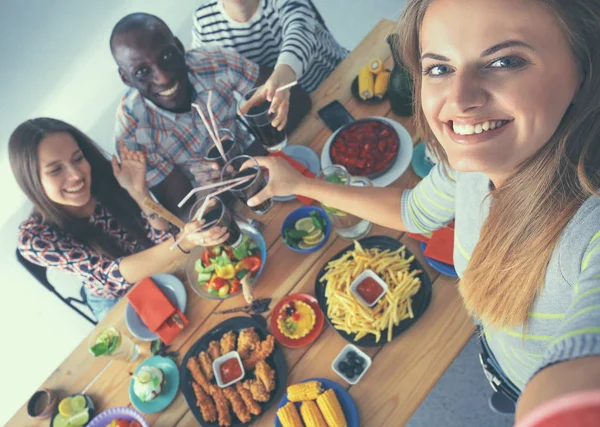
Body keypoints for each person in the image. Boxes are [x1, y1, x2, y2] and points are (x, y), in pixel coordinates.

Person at [247, 0, 600, 421]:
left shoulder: (589, 229)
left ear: (583, 70)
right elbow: (414, 211)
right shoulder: (471, 163)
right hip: (501, 360)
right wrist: (299, 183)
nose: (459, 98)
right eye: (439, 68)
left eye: (505, 60)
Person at [10, 118, 228, 321]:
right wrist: (184, 241)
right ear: (32, 181)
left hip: (160, 263)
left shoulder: (104, 176)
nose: (76, 175)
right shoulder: (34, 239)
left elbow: (160, 238)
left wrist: (138, 191)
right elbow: (111, 273)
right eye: (56, 170)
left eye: (78, 159)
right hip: (117, 297)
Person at [111, 13, 310, 216]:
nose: (163, 78)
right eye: (142, 71)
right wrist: (208, 192)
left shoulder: (214, 61)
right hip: (227, 212)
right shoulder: (132, 134)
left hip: (273, 169)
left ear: (180, 47)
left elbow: (296, 99)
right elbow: (186, 212)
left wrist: (243, 164)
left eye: (166, 56)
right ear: (125, 78)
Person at [191, 0, 348, 97]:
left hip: (337, 77)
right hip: (292, 113)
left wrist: (280, 78)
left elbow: (300, 29)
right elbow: (205, 81)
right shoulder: (203, 22)